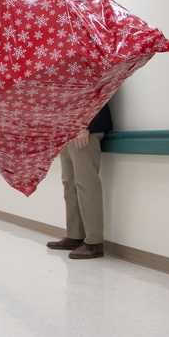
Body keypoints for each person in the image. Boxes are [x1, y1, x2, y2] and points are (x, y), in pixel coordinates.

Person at [46, 103, 113, 260]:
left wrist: (85, 124)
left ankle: (94, 243)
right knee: (69, 184)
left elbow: (97, 90)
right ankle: (75, 236)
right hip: (67, 129)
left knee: (86, 184)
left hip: (84, 128)